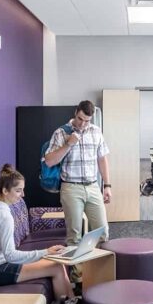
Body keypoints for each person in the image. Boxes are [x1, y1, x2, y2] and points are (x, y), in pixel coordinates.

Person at [0, 164, 74, 299]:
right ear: (5, 191)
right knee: (56, 267)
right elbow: (11, 255)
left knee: (58, 264)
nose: (23, 195)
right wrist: (46, 252)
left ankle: (72, 303)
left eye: (22, 190)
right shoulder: (3, 216)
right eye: (18, 191)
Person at [44, 100, 111, 246]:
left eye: (87, 121)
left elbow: (102, 159)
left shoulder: (96, 131)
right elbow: (49, 161)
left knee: (102, 232)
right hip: (71, 188)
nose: (82, 124)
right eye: (80, 119)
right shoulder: (61, 132)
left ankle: (97, 267)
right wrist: (69, 144)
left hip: (93, 186)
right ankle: (77, 269)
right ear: (76, 112)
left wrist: (107, 185)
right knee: (74, 236)